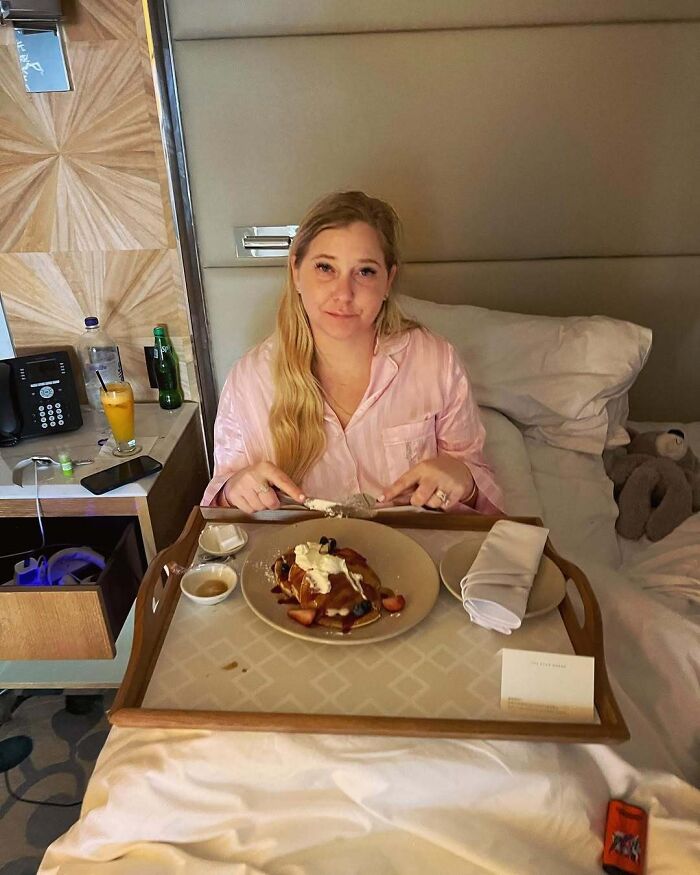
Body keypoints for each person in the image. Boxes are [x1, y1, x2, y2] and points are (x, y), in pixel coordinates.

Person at [201, 191, 503, 515]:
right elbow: (220, 510)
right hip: (294, 559)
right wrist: (233, 491)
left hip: (413, 557)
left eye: (365, 272)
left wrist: (464, 479)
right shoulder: (250, 381)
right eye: (325, 267)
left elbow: (481, 491)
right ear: (296, 272)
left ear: (388, 281)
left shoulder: (435, 363)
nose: (343, 294)